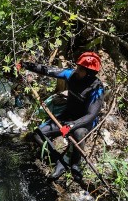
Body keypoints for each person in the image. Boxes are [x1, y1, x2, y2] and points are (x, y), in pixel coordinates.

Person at [19, 52, 104, 180]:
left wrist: (71, 126)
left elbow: (91, 115)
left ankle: (76, 164)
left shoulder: (97, 88)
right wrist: (25, 65)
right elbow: (49, 70)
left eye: (80, 68)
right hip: (67, 116)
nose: (77, 70)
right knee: (38, 133)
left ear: (89, 73)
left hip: (84, 122)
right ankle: (59, 159)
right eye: (78, 66)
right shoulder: (71, 75)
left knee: (79, 134)